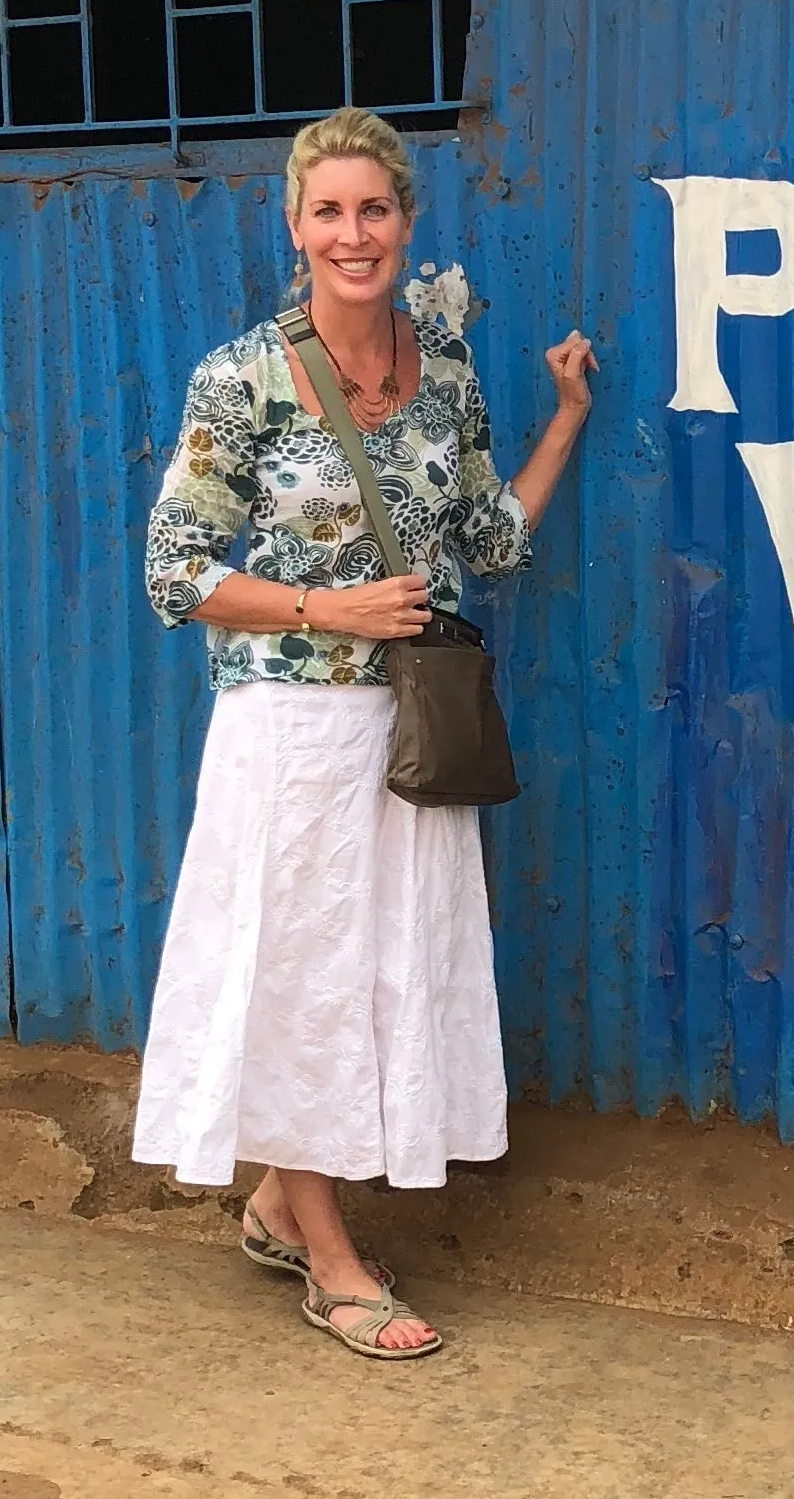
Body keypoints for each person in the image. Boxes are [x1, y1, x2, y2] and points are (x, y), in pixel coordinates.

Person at [135, 106, 594, 1361]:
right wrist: (325, 607)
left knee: (380, 973)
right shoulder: (239, 382)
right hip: (288, 734)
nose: (354, 234)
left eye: (375, 210)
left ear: (406, 222)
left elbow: (488, 542)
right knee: (301, 982)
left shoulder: (442, 375)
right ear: (296, 231)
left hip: (405, 737)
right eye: (328, 213)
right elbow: (174, 571)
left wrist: (563, 421)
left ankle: (284, 1203)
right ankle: (332, 1260)